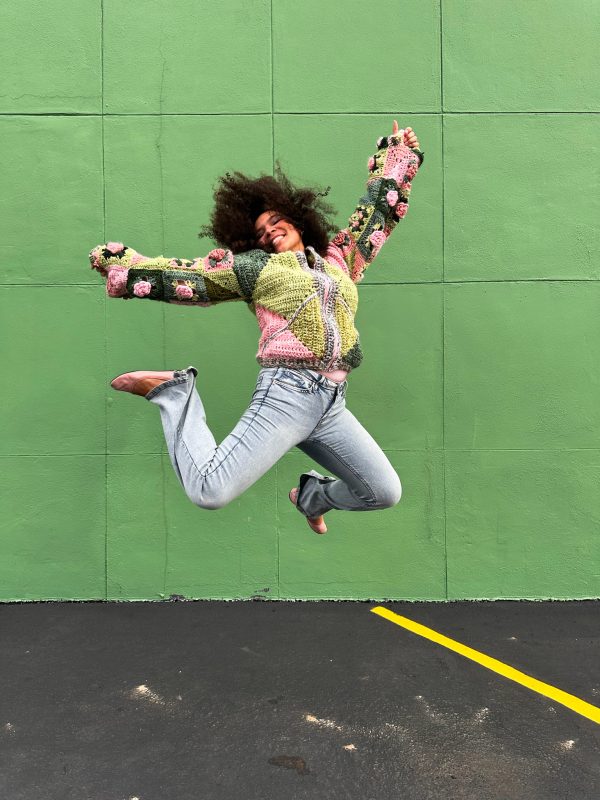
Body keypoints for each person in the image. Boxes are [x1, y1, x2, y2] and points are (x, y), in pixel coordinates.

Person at [89, 121, 423, 534]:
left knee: (383, 491)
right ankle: (175, 393)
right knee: (210, 490)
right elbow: (193, 278)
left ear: (299, 220)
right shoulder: (258, 269)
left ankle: (313, 497)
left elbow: (375, 217)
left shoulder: (339, 261)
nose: (270, 232)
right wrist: (126, 267)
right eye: (262, 233)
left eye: (277, 221)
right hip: (287, 394)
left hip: (331, 403)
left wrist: (398, 155)